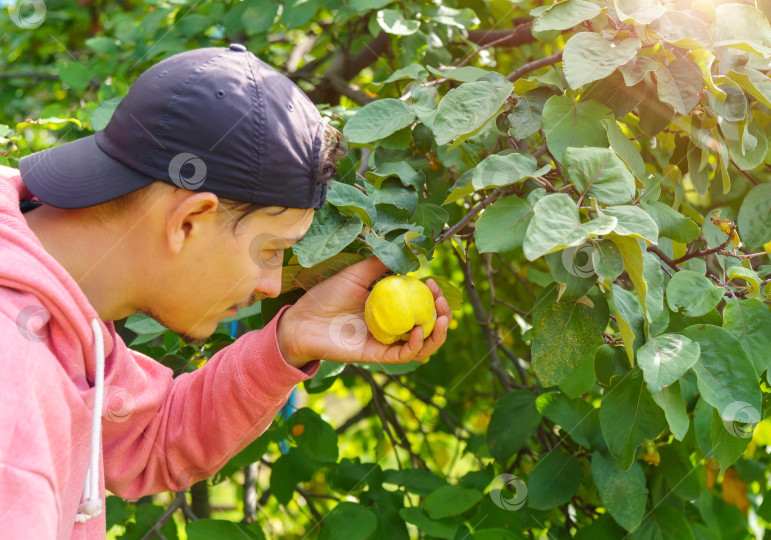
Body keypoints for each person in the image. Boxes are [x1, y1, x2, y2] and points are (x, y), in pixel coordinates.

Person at [0, 44, 452, 538]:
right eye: (270, 250)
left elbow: (146, 438)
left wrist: (290, 340)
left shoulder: (57, 302)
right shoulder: (14, 393)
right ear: (190, 221)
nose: (272, 284)